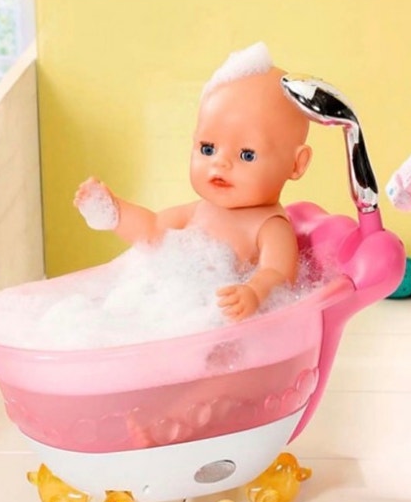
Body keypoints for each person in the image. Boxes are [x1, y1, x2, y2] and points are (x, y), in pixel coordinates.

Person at [74, 42, 312, 321]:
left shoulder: (269, 226)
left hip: (213, 321)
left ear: (296, 164)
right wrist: (114, 211)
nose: (220, 163)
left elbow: (278, 274)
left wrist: (254, 293)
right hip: (163, 306)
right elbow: (152, 230)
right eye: (208, 149)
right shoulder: (200, 210)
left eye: (246, 155)